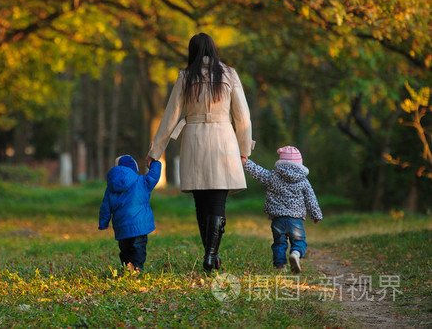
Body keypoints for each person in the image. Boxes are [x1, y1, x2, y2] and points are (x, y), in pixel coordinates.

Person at [145, 32, 254, 273]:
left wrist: (155, 150)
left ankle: (209, 254)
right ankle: (211, 255)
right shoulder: (229, 74)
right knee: (217, 201)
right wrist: (244, 149)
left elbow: (171, 116)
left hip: (194, 139)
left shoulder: (186, 76)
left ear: (192, 51)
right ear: (214, 50)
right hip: (223, 140)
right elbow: (243, 116)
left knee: (201, 201)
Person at [243, 146, 323, 273]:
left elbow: (258, 172)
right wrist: (316, 215)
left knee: (279, 243)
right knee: (299, 241)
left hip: (278, 219)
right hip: (295, 220)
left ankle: (280, 266)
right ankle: (295, 254)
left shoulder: (273, 177)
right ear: (299, 164)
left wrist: (246, 162)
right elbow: (311, 199)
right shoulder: (303, 181)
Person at [99, 155, 162, 272]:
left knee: (125, 249)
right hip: (139, 226)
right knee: (138, 248)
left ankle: (127, 268)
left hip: (121, 227)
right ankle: (137, 268)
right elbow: (154, 176)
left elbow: (105, 207)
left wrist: (103, 223)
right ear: (134, 168)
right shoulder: (141, 182)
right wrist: (155, 163)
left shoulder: (111, 187)